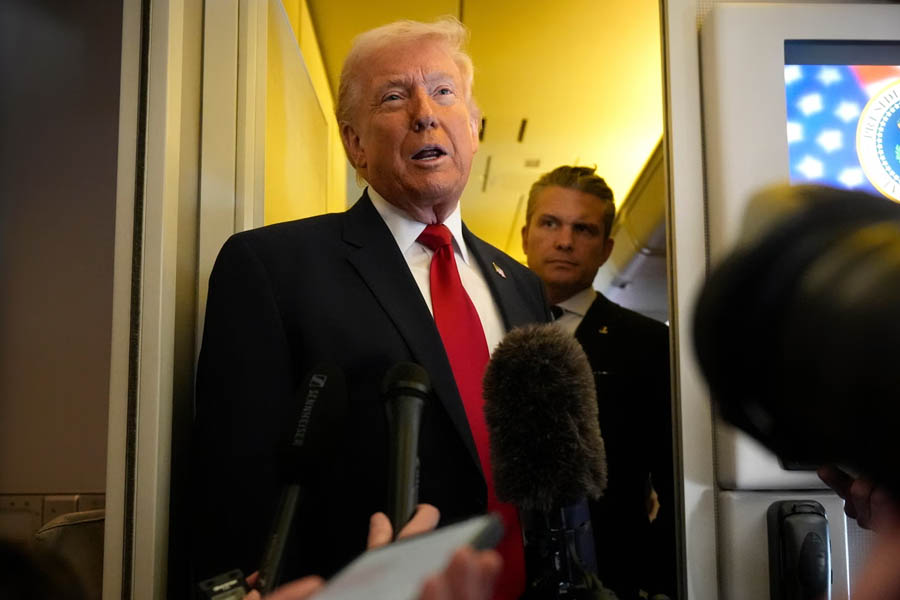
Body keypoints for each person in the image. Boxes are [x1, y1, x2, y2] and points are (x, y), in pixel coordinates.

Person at [190, 16, 549, 599]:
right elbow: (236, 485)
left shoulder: (523, 287)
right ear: (354, 142)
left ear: (475, 126)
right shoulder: (272, 267)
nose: (425, 113)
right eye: (393, 97)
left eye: (442, 91)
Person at [520, 165, 676, 598]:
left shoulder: (647, 343)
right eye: (550, 223)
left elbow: (672, 483)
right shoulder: (488, 327)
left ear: (606, 248)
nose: (565, 241)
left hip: (612, 574)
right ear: (525, 235)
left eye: (583, 229)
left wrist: (654, 581)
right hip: (501, 573)